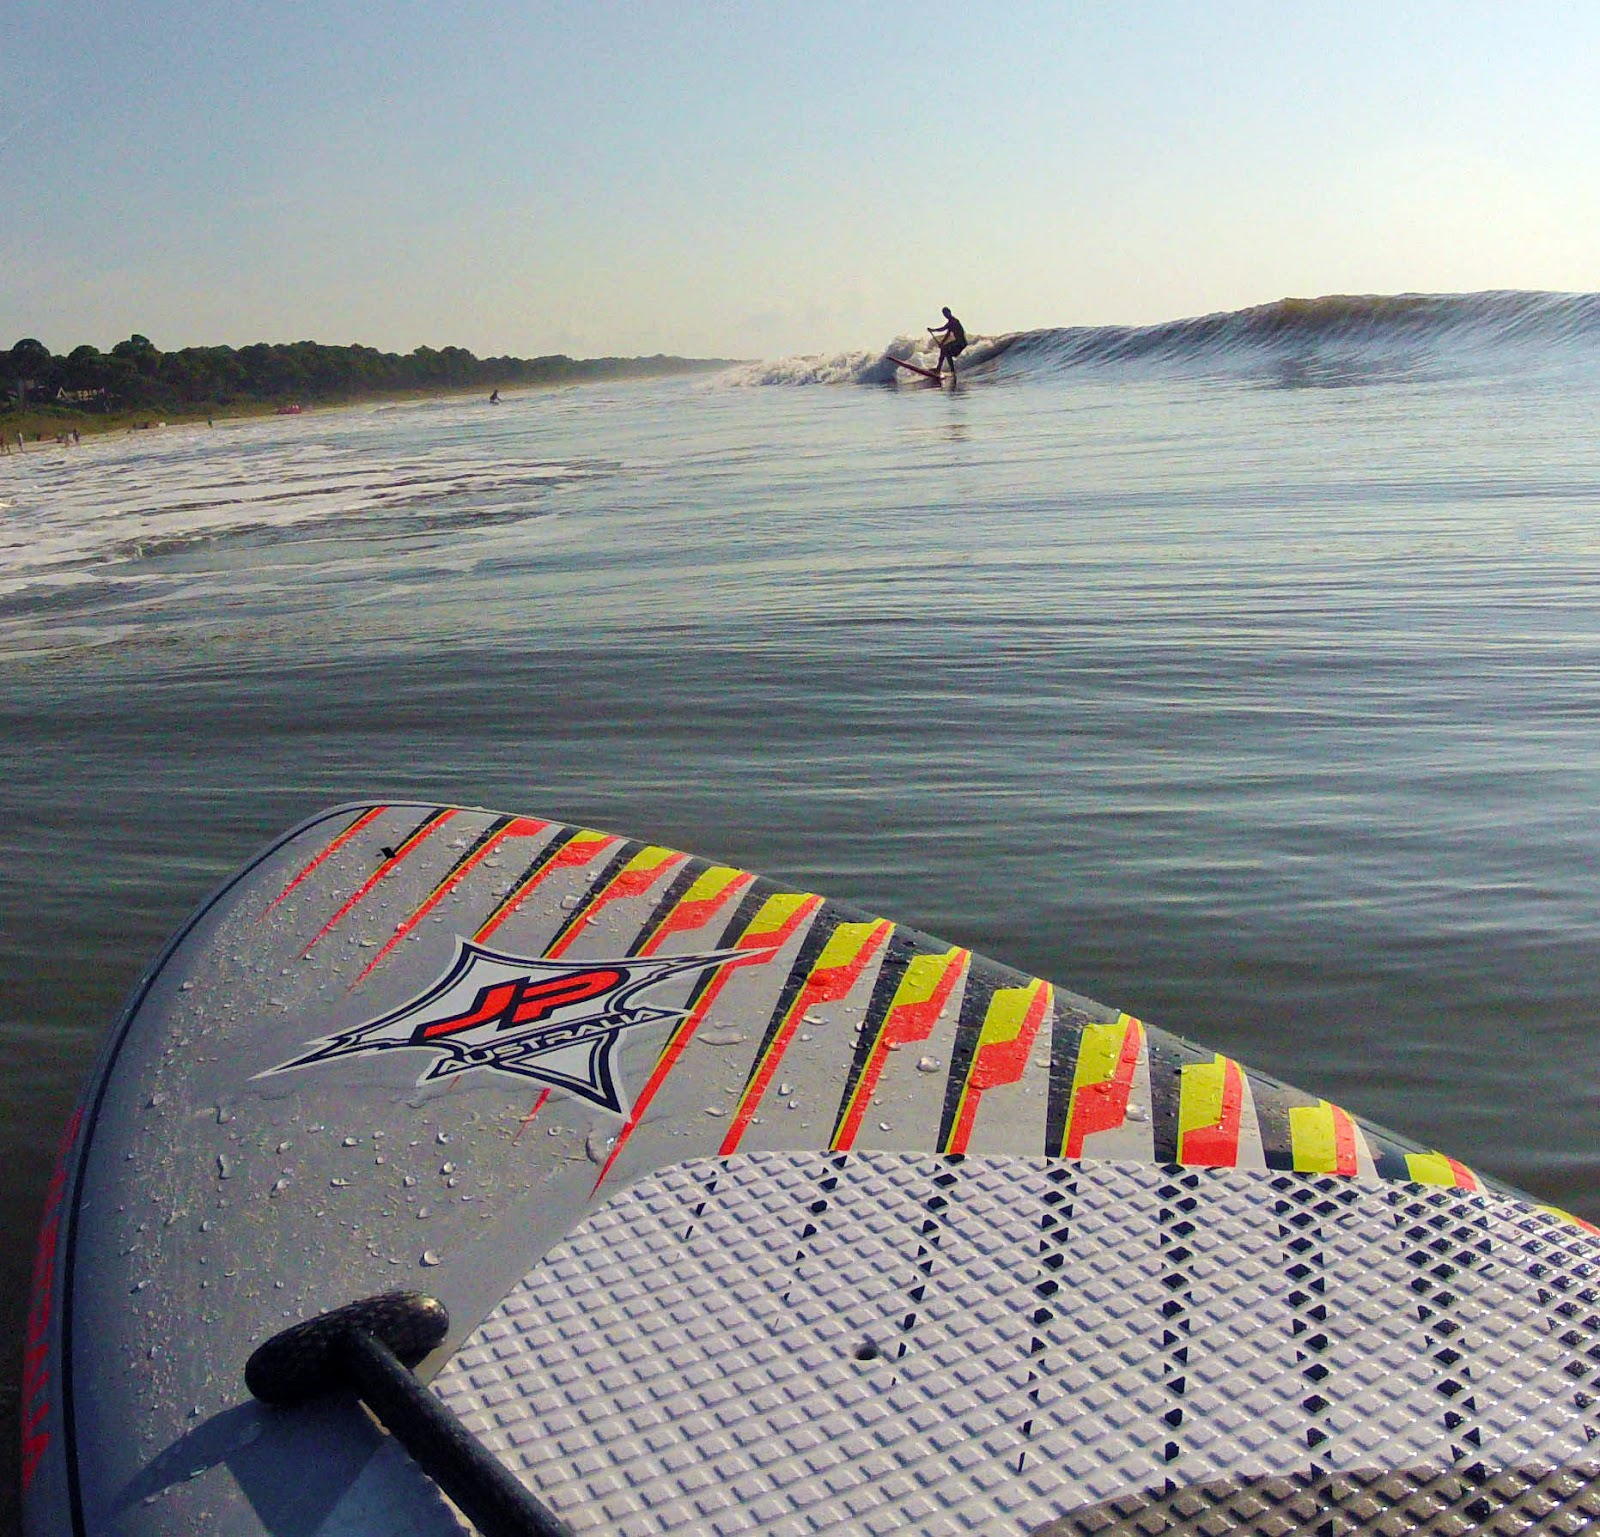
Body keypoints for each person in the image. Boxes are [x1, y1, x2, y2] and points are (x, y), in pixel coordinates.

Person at [928, 306, 967, 379]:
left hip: (961, 342)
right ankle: (945, 370)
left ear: (949, 312)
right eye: (944, 314)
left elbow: (943, 328)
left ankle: (942, 369)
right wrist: (942, 343)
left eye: (946, 313)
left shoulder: (954, 321)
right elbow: (948, 334)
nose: (945, 315)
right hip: (958, 342)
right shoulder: (950, 322)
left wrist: (933, 330)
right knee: (945, 351)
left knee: (945, 350)